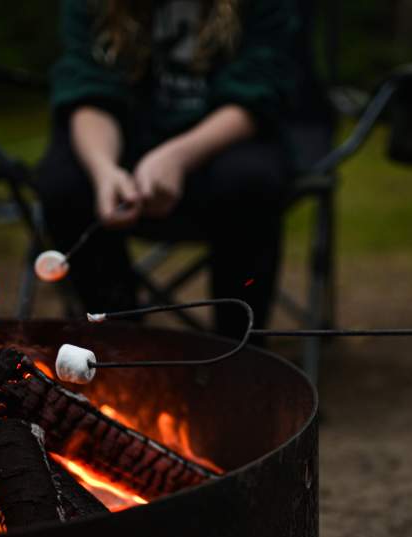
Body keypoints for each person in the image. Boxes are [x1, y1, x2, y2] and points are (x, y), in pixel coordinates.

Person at [36, 0, 299, 337]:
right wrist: (104, 170)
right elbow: (88, 87)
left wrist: (178, 156)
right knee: (64, 183)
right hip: (125, 150)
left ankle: (238, 350)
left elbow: (259, 90)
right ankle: (116, 342)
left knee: (250, 180)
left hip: (222, 144)